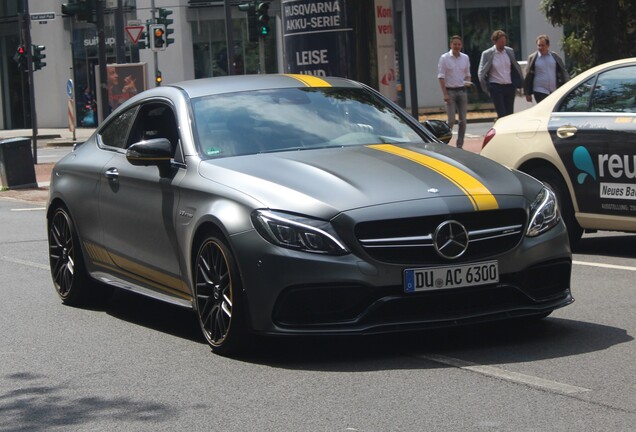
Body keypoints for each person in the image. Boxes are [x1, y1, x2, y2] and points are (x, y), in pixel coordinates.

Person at [478, 30, 523, 118]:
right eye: (500, 42)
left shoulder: (509, 51)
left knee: (510, 113)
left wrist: (519, 81)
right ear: (495, 41)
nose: (503, 44)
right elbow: (481, 71)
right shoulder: (487, 53)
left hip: (509, 86)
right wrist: (485, 87)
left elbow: (515, 66)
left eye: (504, 41)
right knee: (501, 113)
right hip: (496, 86)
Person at [437, 35, 471, 149]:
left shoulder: (465, 58)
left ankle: (459, 145)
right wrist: (445, 94)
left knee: (463, 121)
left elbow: (467, 74)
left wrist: (468, 84)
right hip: (450, 91)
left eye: (459, 44)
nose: (457, 46)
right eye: (455, 44)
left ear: (461, 46)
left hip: (462, 91)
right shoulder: (444, 58)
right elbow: (441, 76)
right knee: (451, 120)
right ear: (451, 45)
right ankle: (444, 143)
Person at [524, 34, 570, 103]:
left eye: (543, 45)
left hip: (554, 90)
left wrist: (567, 84)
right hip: (539, 90)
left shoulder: (554, 56)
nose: (540, 47)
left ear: (548, 45)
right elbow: (527, 76)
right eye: (539, 45)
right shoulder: (533, 58)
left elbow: (563, 71)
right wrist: (527, 93)